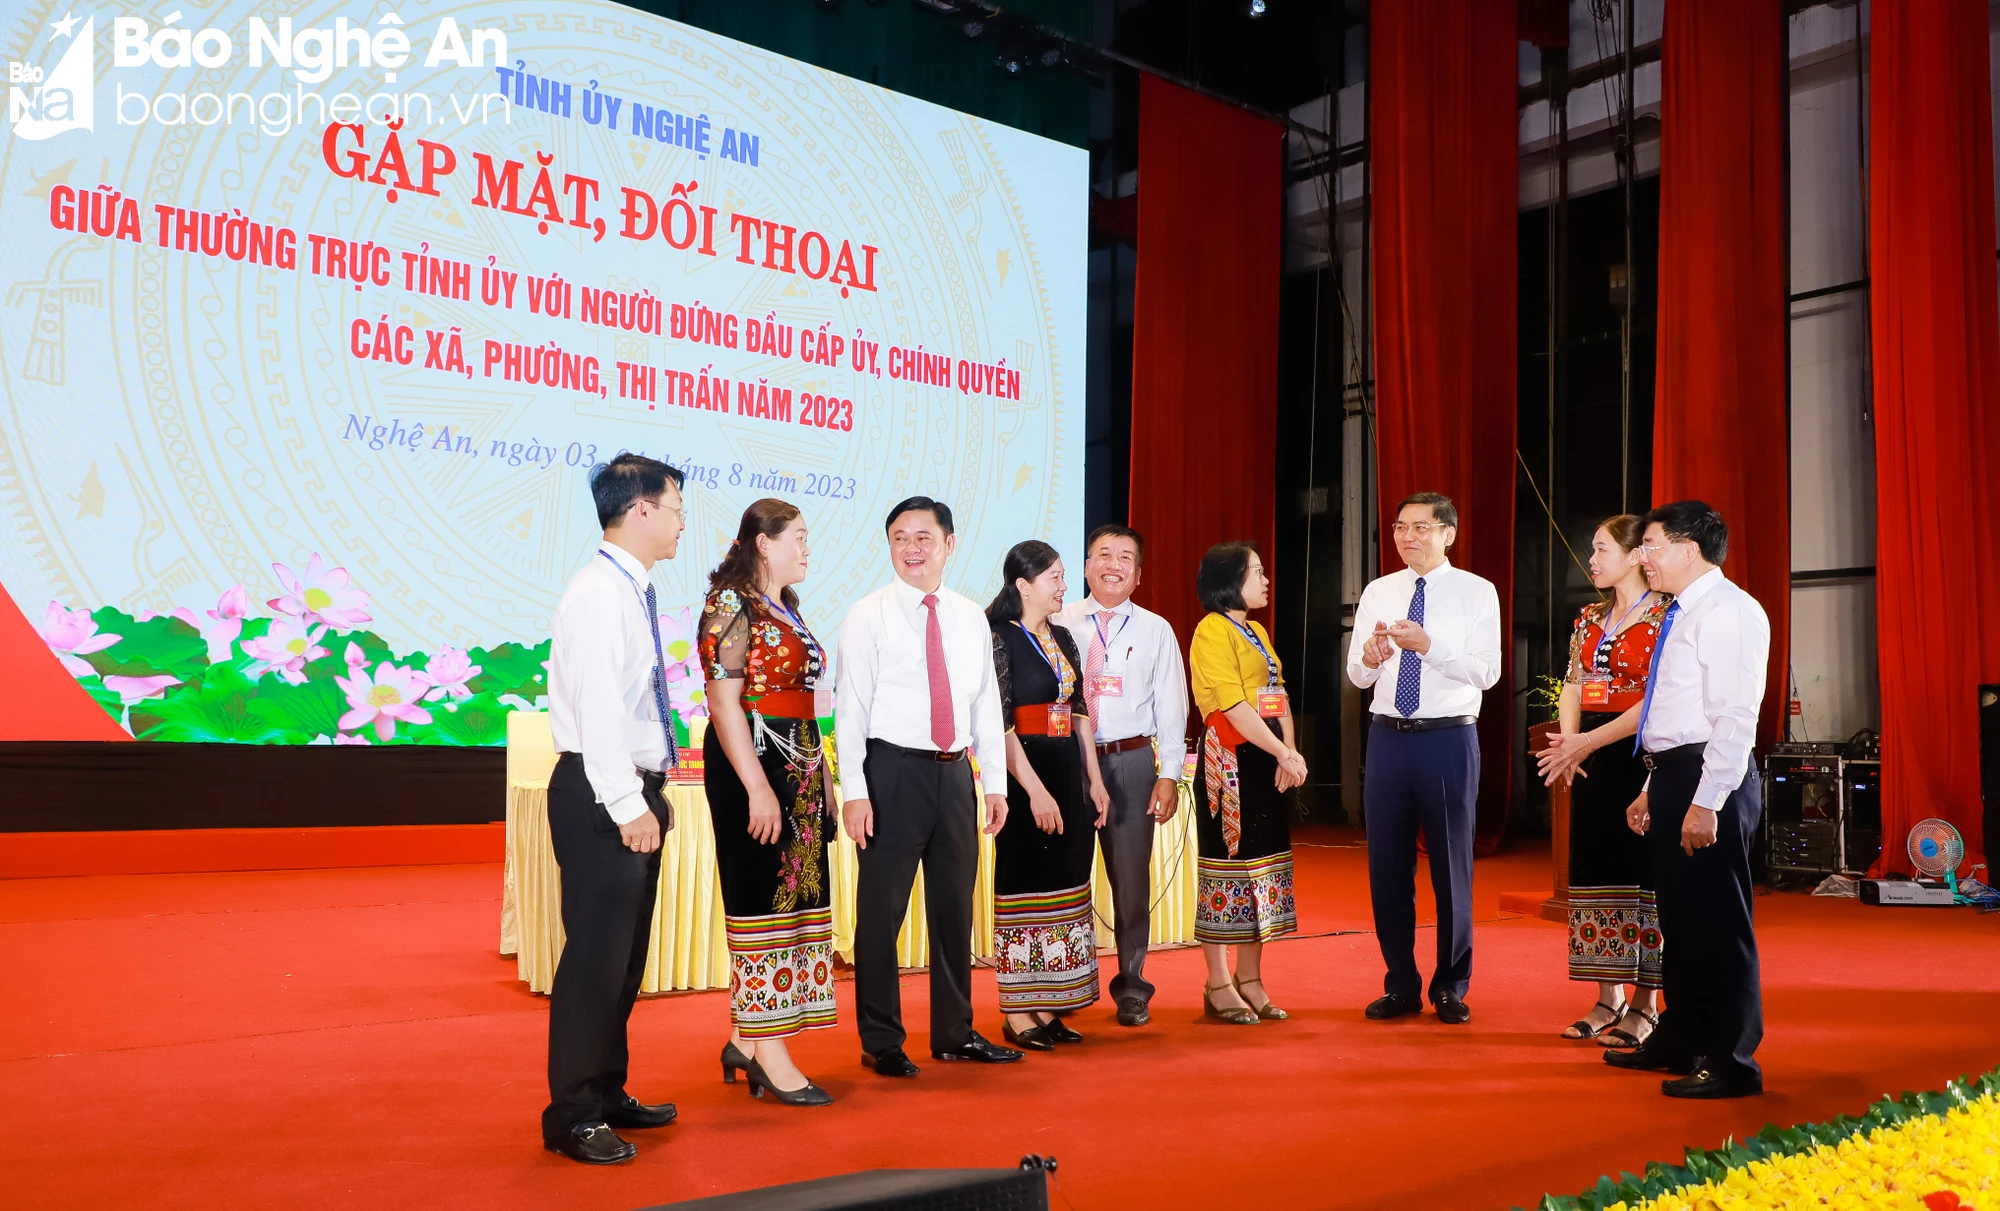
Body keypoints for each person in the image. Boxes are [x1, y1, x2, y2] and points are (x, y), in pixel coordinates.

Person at [835, 496, 1023, 1076]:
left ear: (949, 544)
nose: (911, 549)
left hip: (953, 774)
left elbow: (986, 705)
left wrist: (995, 783)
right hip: (892, 772)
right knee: (880, 911)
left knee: (952, 908)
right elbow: (851, 710)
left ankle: (953, 1033)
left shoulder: (969, 616)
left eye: (923, 537)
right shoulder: (868, 614)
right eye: (899, 538)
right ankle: (882, 1040)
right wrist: (855, 791)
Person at [541, 453, 687, 1164]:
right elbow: (599, 711)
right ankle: (571, 1112)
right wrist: (629, 801)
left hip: (628, 786)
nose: (682, 521)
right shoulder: (601, 593)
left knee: (623, 961)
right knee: (595, 962)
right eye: (677, 506)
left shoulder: (631, 589)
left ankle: (604, 1089)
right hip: (604, 791)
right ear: (641, 509)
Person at [1604, 501, 1768, 1099]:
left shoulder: (1730, 612)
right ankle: (1681, 1036)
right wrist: (1654, 786)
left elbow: (1733, 715)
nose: (1642, 557)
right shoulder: (1682, 610)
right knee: (1681, 919)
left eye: (1650, 545)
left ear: (1687, 548)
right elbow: (1672, 711)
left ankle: (1730, 1061)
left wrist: (1708, 801)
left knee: (1719, 924)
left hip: (1710, 775)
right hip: (1676, 772)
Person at [699, 499, 836, 1107]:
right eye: (798, 538)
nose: (807, 549)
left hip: (799, 762)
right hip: (753, 764)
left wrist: (824, 780)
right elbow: (724, 703)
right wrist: (757, 786)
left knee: (797, 898)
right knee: (761, 898)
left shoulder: (789, 607)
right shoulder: (731, 604)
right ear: (763, 542)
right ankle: (770, 1051)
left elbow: (805, 704)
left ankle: (744, 1037)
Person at [1346, 492, 1501, 1026]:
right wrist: (1368, 658)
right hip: (1388, 738)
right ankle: (1401, 984)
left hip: (1448, 740)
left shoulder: (1478, 592)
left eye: (1421, 527)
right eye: (1399, 527)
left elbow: (1488, 673)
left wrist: (1429, 647)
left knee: (1452, 868)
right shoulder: (1378, 590)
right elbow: (1357, 675)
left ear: (1448, 534)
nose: (1408, 536)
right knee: (1387, 867)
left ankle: (1451, 986)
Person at [1535, 515, 1669, 1048]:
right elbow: (1573, 684)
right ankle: (1606, 996)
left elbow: (1658, 697)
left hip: (1642, 750)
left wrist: (1586, 743)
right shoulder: (1588, 617)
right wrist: (1570, 743)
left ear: (1637, 554)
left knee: (1644, 876)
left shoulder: (1665, 615)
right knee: (1593, 873)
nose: (1590, 560)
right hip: (1589, 752)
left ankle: (1645, 1003)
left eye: (1600, 549)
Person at [1054, 524, 1189, 1028]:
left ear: (1138, 574)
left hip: (1131, 762)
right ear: (1086, 565)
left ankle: (1132, 986)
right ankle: (1063, 985)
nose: (1113, 564)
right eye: (1103, 554)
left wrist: (1169, 773)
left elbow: (1173, 707)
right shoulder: (1058, 619)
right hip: (1067, 762)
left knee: (1130, 882)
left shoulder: (1156, 630)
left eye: (1125, 557)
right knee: (1066, 879)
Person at [987, 540, 1111, 1049]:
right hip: (1026, 777)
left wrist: (1095, 779)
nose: (1065, 587)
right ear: (1023, 585)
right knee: (1025, 881)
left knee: (1065, 879)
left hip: (1067, 772)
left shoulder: (1063, 637)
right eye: (1055, 578)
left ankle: (1048, 1002)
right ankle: (1018, 1010)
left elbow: (1078, 711)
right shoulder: (999, 638)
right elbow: (999, 724)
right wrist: (1034, 792)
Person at [1187, 542, 1306, 1025]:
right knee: (1226, 867)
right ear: (1228, 580)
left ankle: (1251, 979)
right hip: (1230, 763)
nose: (1265, 579)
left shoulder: (1255, 630)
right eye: (1256, 571)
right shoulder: (1211, 630)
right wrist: (1282, 751)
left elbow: (1277, 697)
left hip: (1268, 760)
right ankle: (1218, 984)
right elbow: (1233, 706)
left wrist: (1290, 751)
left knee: (1262, 866)